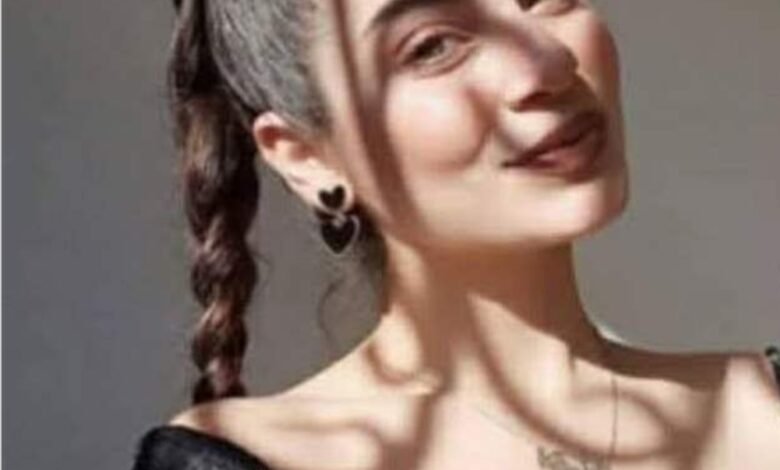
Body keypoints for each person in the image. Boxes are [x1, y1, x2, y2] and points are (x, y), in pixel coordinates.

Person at [131, 0, 780, 468]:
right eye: (432, 46)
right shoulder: (255, 457)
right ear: (306, 156)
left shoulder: (764, 407)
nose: (547, 61)